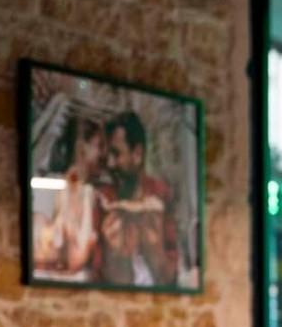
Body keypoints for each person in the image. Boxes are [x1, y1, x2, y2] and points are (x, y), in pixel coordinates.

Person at [94, 111, 179, 286]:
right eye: (107, 155)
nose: (109, 164)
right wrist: (116, 256)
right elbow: (98, 284)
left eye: (116, 154)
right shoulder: (102, 199)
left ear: (137, 154)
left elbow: (170, 279)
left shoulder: (161, 194)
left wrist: (155, 252)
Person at [32, 116, 104, 280]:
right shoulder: (52, 185)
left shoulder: (94, 193)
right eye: (98, 146)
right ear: (81, 148)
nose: (103, 154)